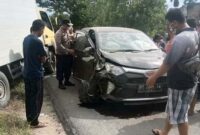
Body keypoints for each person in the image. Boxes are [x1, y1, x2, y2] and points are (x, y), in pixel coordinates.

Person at [146, 8, 199, 135]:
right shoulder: (194, 33)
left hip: (179, 83)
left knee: (181, 118)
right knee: (173, 110)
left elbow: (168, 63)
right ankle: (164, 132)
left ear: (174, 22)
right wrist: (156, 71)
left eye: (170, 23)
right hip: (190, 78)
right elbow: (179, 58)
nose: (169, 26)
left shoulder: (181, 39)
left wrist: (154, 77)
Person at [23, 19, 47, 128]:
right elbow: (43, 59)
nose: (43, 32)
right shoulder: (37, 42)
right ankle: (35, 122)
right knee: (37, 99)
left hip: (27, 72)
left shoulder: (26, 39)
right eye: (43, 29)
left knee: (29, 98)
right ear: (41, 28)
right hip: (36, 74)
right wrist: (43, 58)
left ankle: (30, 118)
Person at [55, 20, 75, 89]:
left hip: (68, 54)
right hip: (61, 55)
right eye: (68, 25)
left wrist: (72, 40)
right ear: (63, 25)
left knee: (68, 69)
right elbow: (59, 45)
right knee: (61, 70)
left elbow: (68, 40)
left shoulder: (66, 31)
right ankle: (60, 83)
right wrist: (68, 50)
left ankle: (66, 81)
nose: (69, 27)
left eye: (69, 25)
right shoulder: (58, 33)